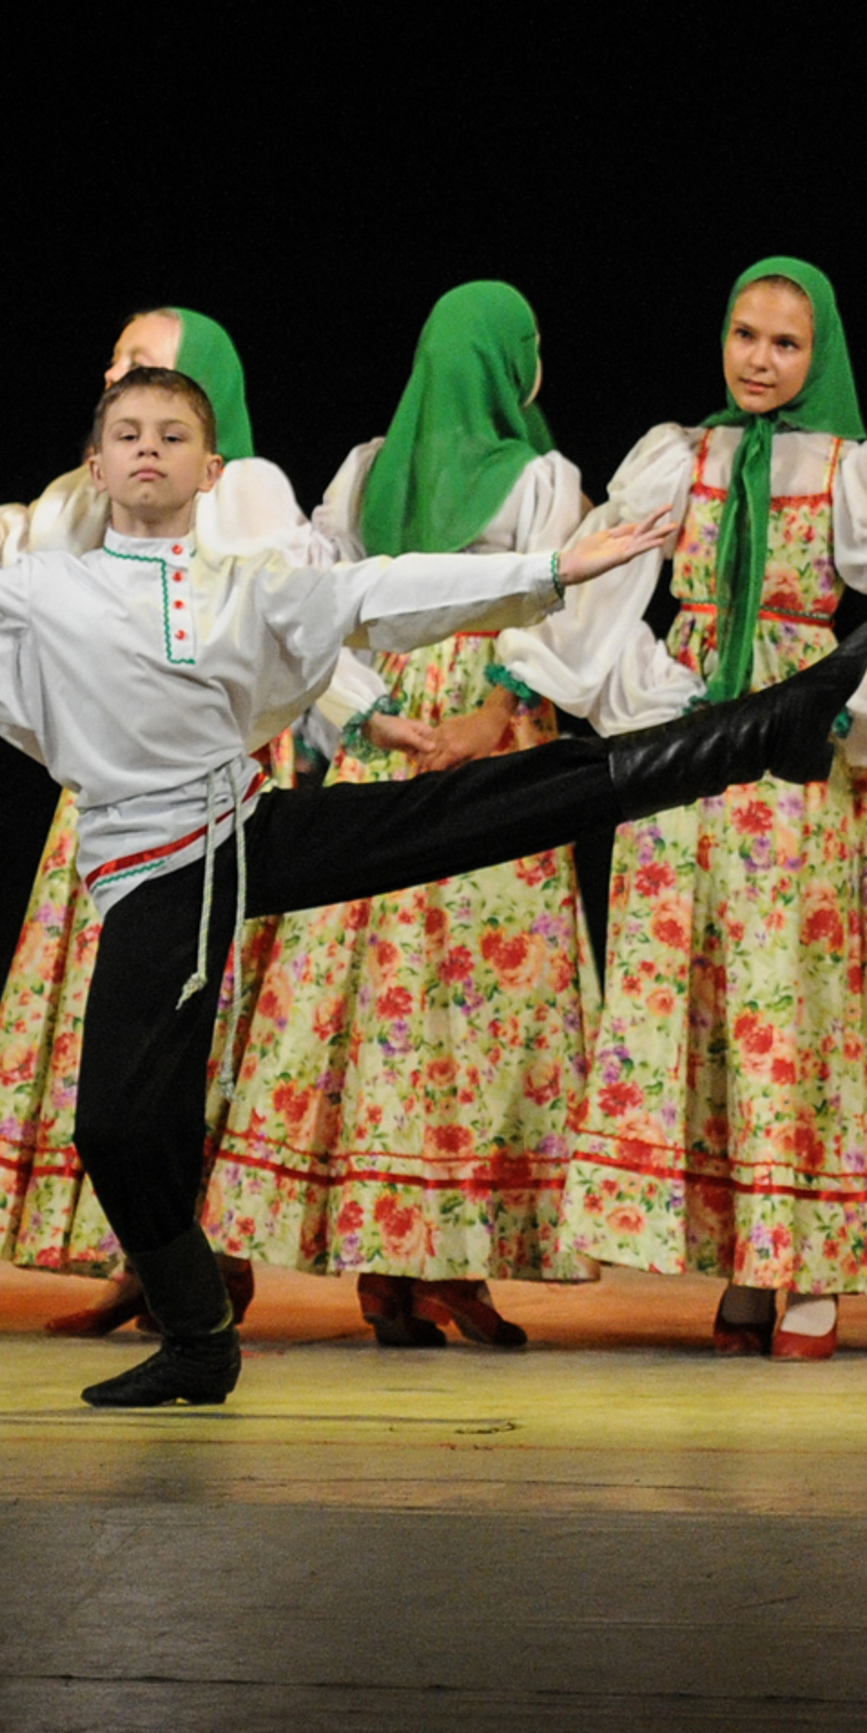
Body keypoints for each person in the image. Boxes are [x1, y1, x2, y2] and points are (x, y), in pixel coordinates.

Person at [0, 361, 867, 1407]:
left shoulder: (245, 582)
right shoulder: (33, 593)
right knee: (116, 1127)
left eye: (170, 434)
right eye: (125, 433)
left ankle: (768, 727)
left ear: (211, 472)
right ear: (95, 464)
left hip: (240, 830)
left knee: (496, 804)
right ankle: (201, 1327)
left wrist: (553, 572)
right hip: (152, 871)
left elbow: (385, 592)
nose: (146, 449)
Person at [497, 258, 867, 1359]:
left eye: (784, 344)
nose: (758, 358)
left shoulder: (856, 467)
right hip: (691, 744)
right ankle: (742, 1258)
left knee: (786, 994)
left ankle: (804, 1265)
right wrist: (649, 691)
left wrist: (855, 711)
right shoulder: (681, 455)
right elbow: (609, 581)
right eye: (744, 335)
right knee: (696, 986)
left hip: (791, 747)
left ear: (820, 355)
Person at [205, 281, 600, 1347]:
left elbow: (315, 602)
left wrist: (368, 713)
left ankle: (403, 1267)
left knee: (386, 1000)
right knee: (460, 1003)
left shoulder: (364, 468)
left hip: (386, 730)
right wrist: (489, 717)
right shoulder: (541, 476)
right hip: (473, 735)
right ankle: (430, 1267)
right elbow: (556, 602)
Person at [0, 305, 307, 1333]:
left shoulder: (246, 493)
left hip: (209, 789)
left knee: (207, 1023)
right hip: (112, 785)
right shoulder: (82, 493)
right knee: (113, 1030)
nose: (117, 374)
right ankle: (145, 1253)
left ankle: (203, 1255)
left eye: (141, 363)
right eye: (115, 362)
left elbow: (291, 615)